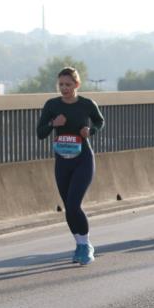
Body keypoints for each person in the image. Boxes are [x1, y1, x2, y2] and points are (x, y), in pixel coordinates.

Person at [36, 67, 105, 265]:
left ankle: (86, 246)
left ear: (77, 85)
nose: (64, 88)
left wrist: (90, 131)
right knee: (68, 208)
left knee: (75, 204)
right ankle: (79, 243)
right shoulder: (52, 105)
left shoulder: (86, 104)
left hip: (83, 158)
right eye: (61, 85)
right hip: (62, 161)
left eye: (68, 84)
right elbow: (40, 133)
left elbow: (100, 122)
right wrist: (53, 124)